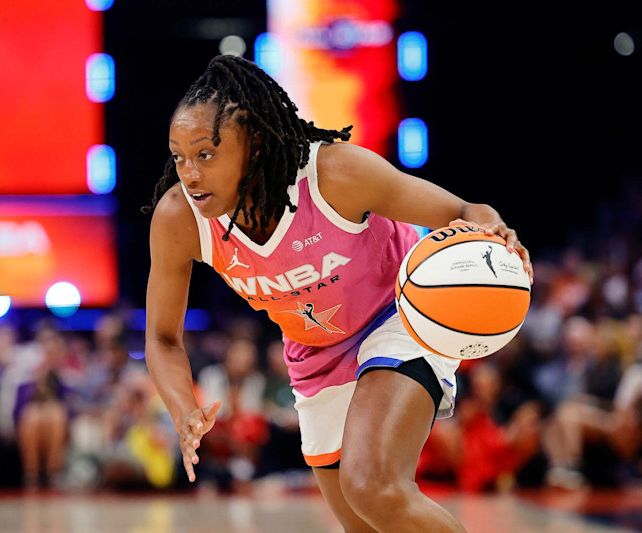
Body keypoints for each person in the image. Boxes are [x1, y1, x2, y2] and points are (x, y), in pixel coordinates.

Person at [143, 54, 533, 533]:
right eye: (178, 156)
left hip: (400, 316)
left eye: (205, 154)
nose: (190, 173)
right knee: (363, 522)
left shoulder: (335, 175)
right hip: (315, 350)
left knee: (372, 486)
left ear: (256, 143)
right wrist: (184, 410)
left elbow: (465, 210)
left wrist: (496, 231)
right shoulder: (179, 219)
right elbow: (162, 338)